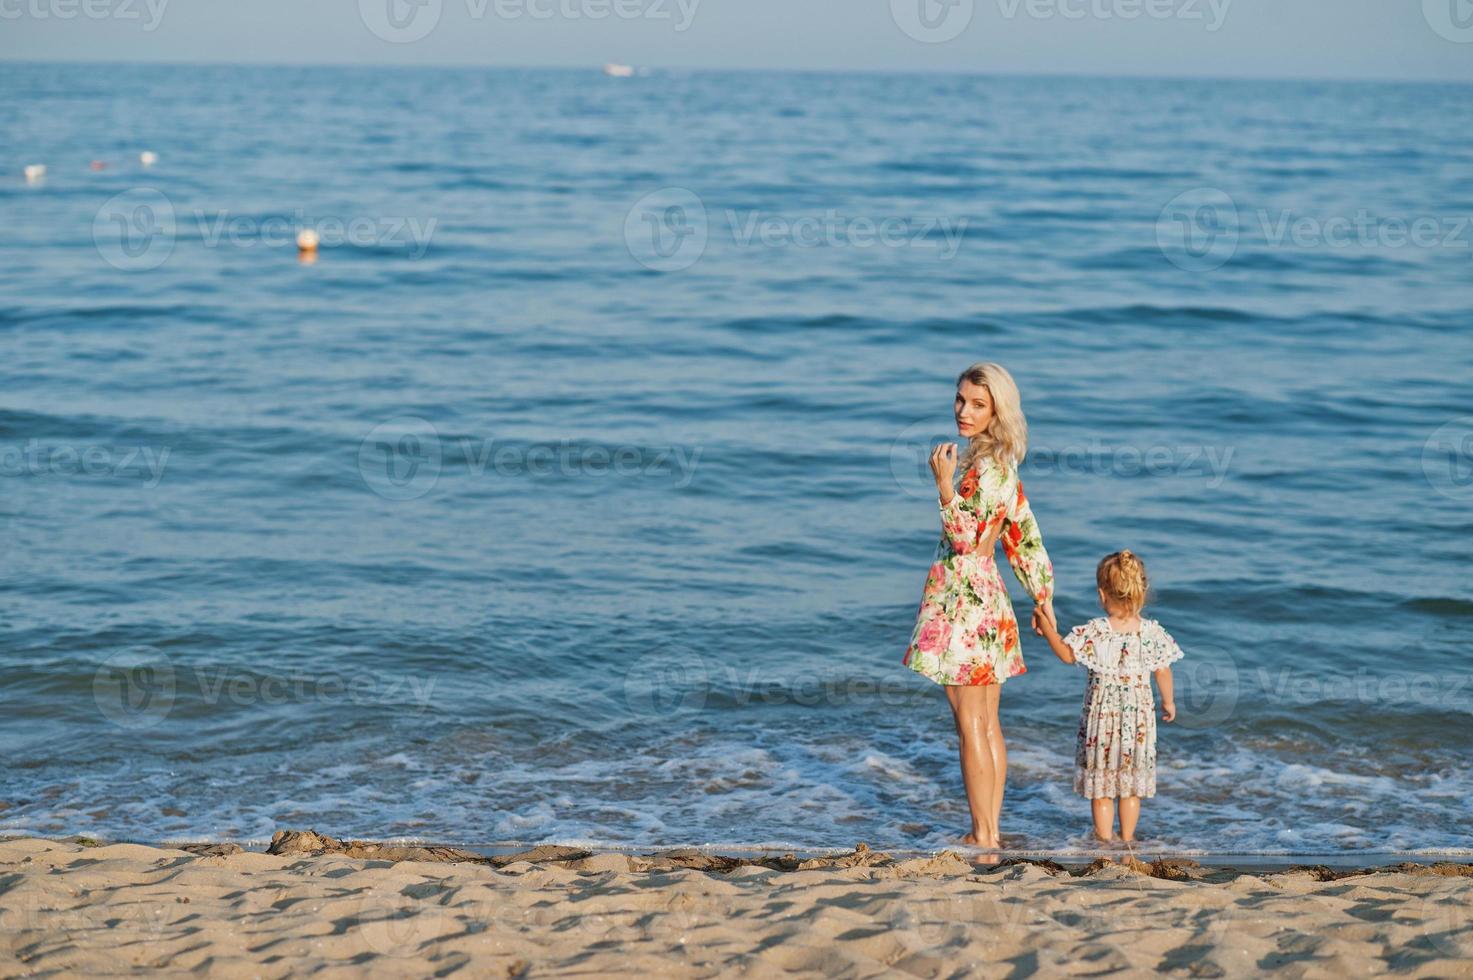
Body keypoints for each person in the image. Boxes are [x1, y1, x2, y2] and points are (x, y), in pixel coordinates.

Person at [902, 362, 1056, 848]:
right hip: (987, 598)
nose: (963, 411)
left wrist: (944, 485)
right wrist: (1042, 595)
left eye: (977, 404)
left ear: (997, 411)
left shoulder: (980, 469)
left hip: (964, 602)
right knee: (986, 721)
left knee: (971, 722)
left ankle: (984, 835)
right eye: (960, 399)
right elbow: (1025, 535)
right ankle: (988, 829)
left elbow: (967, 541)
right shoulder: (1002, 464)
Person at [1036, 550, 1184, 844]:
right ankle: (1128, 839)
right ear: (1141, 592)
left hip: (1101, 722)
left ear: (1103, 594)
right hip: (1137, 723)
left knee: (1101, 788)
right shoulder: (1151, 633)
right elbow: (1163, 671)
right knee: (1130, 788)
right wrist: (1169, 701)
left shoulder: (1095, 632)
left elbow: (1067, 654)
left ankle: (1104, 840)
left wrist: (1047, 627)